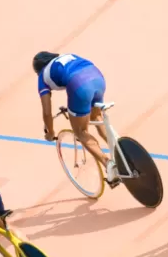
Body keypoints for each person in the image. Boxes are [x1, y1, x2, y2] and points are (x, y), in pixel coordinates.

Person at [32, 51, 120, 188]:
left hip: (80, 86)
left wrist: (50, 132)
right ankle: (123, 152)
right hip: (97, 77)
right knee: (96, 116)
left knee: (81, 131)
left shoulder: (43, 76)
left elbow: (47, 112)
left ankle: (108, 164)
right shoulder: (66, 57)